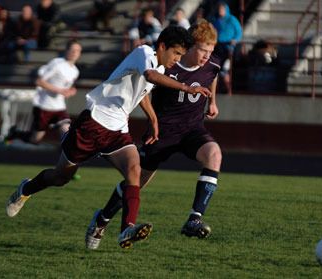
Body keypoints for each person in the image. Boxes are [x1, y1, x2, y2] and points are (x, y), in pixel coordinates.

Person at [5, 26, 211, 249]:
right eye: (177, 53)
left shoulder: (157, 65)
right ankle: (26, 189)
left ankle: (126, 230)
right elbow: (150, 76)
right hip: (93, 123)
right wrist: (185, 87)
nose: (177, 59)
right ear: (162, 46)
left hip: (118, 129)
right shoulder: (144, 53)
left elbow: (142, 92)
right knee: (60, 177)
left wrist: (153, 120)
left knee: (135, 170)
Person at [85, 20, 222, 249]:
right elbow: (143, 90)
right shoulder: (167, 66)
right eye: (203, 50)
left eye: (211, 51)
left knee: (214, 155)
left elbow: (213, 74)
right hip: (162, 133)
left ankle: (194, 219)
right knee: (135, 182)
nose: (207, 56)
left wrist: (212, 101)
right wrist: (153, 119)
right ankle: (102, 218)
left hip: (192, 130)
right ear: (189, 47)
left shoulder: (212, 65)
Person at [6, 40, 82, 145]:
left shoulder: (75, 71)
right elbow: (39, 81)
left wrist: (72, 90)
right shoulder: (57, 63)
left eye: (77, 51)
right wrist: (59, 90)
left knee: (67, 131)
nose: (75, 53)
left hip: (59, 108)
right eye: (72, 50)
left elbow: (68, 86)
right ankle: (15, 133)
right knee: (35, 139)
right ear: (66, 50)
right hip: (44, 107)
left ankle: (68, 159)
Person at [211, 1, 242, 95]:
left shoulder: (232, 19)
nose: (220, 11)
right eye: (219, 9)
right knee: (217, 69)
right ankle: (219, 90)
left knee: (225, 69)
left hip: (228, 48)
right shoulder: (217, 21)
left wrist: (235, 40)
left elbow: (239, 32)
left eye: (222, 9)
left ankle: (229, 89)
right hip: (218, 47)